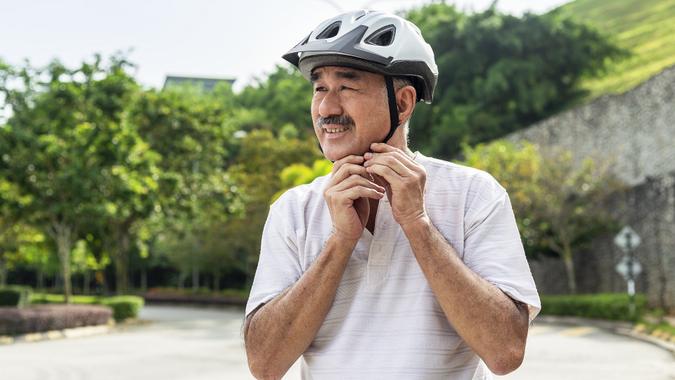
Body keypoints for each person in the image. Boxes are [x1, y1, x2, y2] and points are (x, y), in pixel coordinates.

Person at [243, 10, 540, 379]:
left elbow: (505, 352)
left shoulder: (475, 195)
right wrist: (340, 242)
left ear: (402, 103)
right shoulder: (293, 210)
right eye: (319, 88)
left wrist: (418, 224)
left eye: (347, 87)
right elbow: (264, 364)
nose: (326, 108)